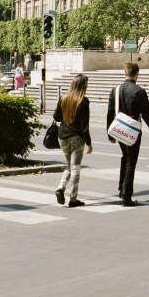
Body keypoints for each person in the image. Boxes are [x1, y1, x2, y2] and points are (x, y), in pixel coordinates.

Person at [107, 61, 149, 206]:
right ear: (137, 74)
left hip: (118, 130)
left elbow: (110, 113)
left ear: (125, 73)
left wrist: (110, 133)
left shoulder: (115, 90)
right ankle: (126, 196)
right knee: (131, 162)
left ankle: (121, 188)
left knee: (125, 157)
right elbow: (147, 113)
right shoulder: (139, 91)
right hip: (133, 131)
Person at [53, 74, 92, 207]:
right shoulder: (84, 101)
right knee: (75, 168)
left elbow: (56, 117)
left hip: (62, 136)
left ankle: (60, 188)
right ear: (83, 86)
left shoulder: (63, 97)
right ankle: (73, 199)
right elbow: (85, 126)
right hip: (76, 137)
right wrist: (89, 143)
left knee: (69, 165)